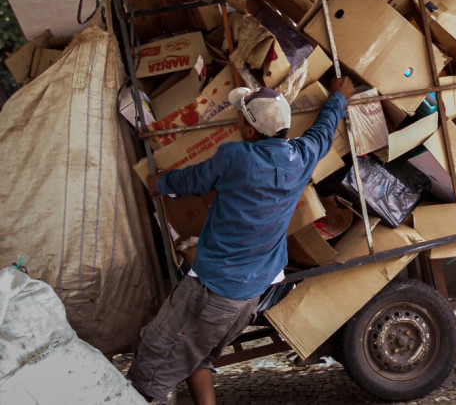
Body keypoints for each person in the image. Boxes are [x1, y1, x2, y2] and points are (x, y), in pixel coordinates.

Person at [128, 77, 355, 404]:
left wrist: (158, 182)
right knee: (197, 354)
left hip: (211, 293)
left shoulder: (235, 157)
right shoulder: (301, 157)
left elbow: (192, 180)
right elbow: (323, 130)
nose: (236, 121)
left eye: (240, 117)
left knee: (151, 367)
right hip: (249, 297)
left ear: (249, 131)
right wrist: (338, 98)